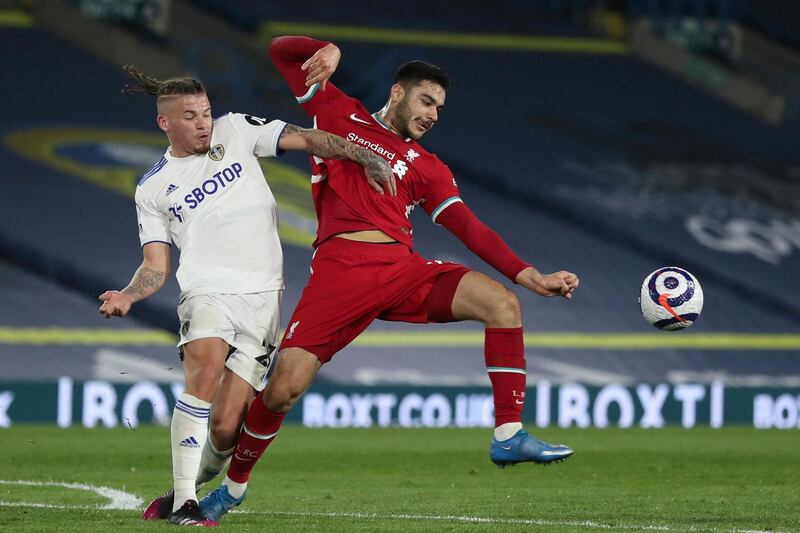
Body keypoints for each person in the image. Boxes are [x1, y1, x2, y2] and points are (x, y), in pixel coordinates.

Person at [199, 36, 580, 522]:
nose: (434, 114)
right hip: (341, 272)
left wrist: (533, 277)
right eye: (427, 100)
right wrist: (328, 49)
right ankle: (232, 490)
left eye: (440, 107)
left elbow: (470, 228)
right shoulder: (338, 111)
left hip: (402, 271)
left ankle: (508, 435)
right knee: (282, 390)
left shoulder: (430, 168)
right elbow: (280, 51)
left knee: (502, 303)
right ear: (398, 93)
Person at [98, 65, 394, 527]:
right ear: (165, 123)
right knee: (205, 369)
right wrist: (129, 294)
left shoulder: (234, 130)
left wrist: (362, 156)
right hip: (206, 290)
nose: (202, 123)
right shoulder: (153, 187)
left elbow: (307, 138)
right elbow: (156, 266)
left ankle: (186, 489)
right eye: (191, 115)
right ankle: (183, 505)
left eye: (206, 112)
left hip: (263, 296)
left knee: (225, 426)